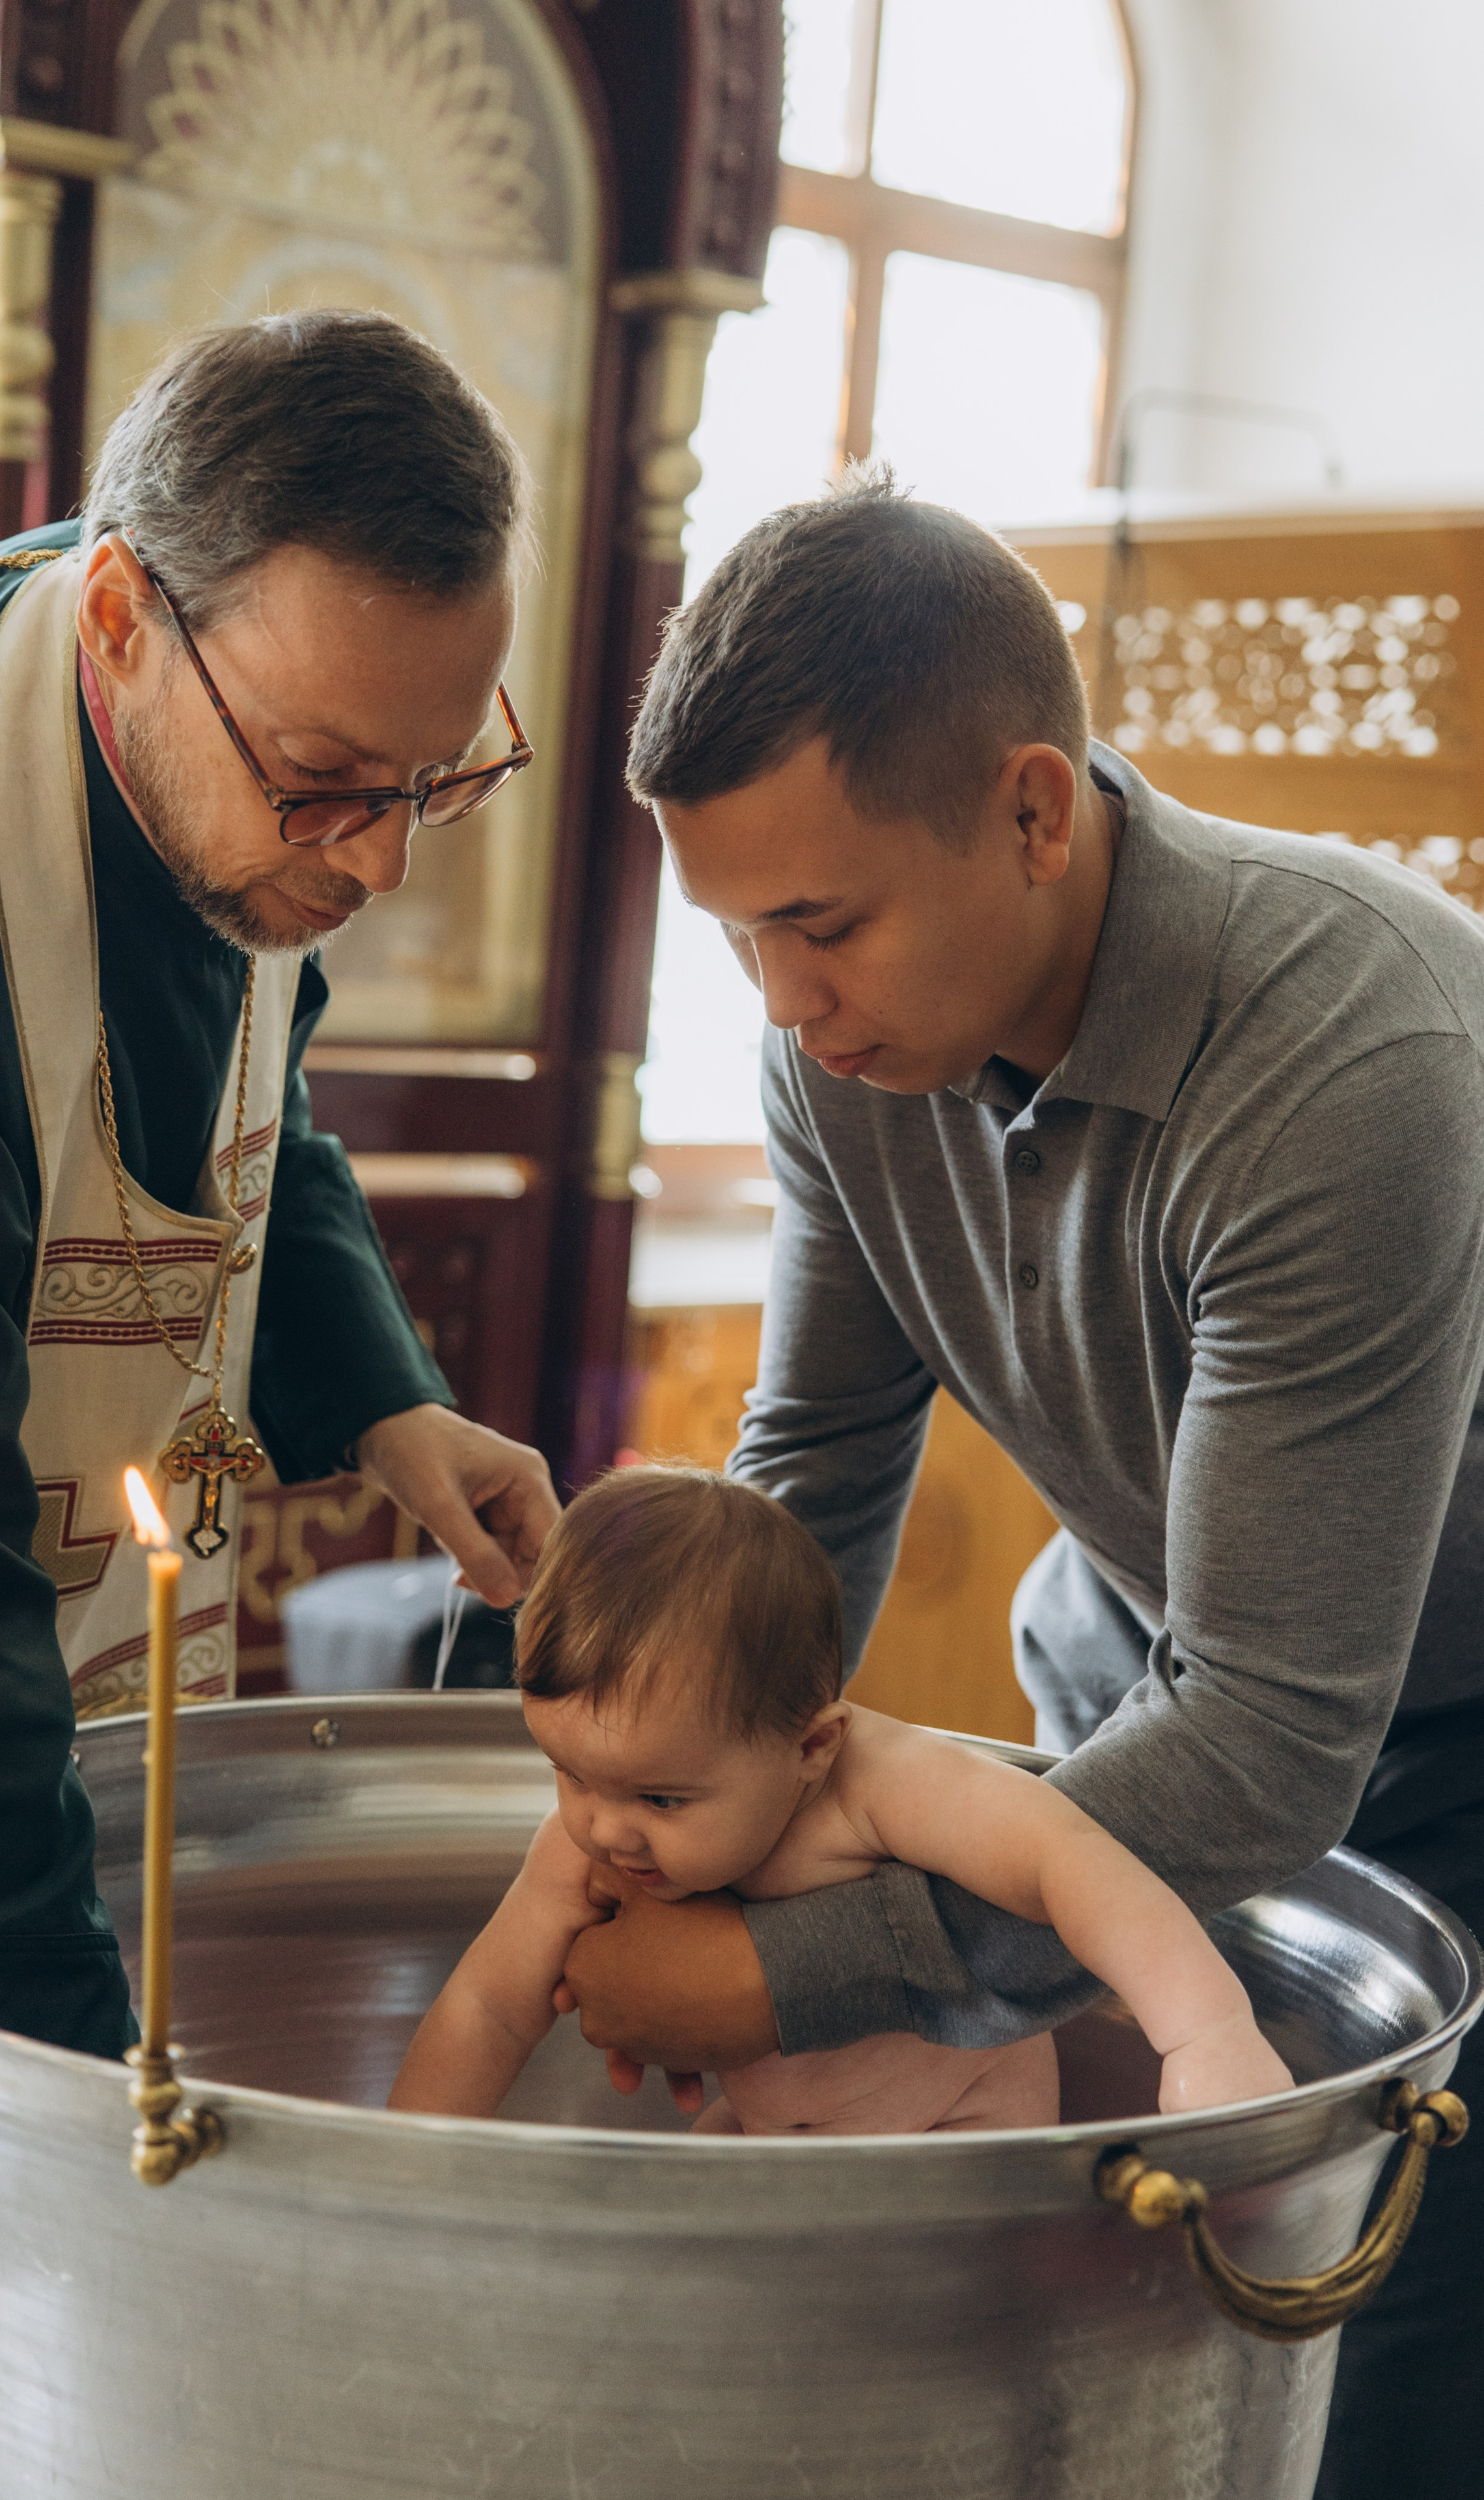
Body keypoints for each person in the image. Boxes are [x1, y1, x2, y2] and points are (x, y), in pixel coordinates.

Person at [552, 471, 1484, 2498]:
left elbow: (1270, 1738)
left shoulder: (1348, 1058)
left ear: (1035, 814)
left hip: (1427, 1732)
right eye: (736, 941)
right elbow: (817, 1458)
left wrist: (777, 1966)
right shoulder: (837, 1052)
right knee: (1095, 2329)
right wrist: (676, 1783)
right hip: (1138, 1686)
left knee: (1357, 2369)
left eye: (821, 924)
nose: (784, 1012)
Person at [0, 310, 560, 2497]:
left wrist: (386, 1398)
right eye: (340, 787)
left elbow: (263, 1098)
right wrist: (93, 2155)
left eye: (442, 780)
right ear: (127, 620)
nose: (378, 862)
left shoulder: (236, 737)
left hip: (46, 1642)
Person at [390, 1465, 1292, 2132]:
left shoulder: (880, 1787)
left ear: (811, 1747)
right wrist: (397, 2161)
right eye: (571, 1774)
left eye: (662, 1800)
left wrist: (1206, 2034)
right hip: (773, 2142)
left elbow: (1075, 1865)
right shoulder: (594, 1836)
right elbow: (490, 2003)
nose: (603, 1826)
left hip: (958, 2139)